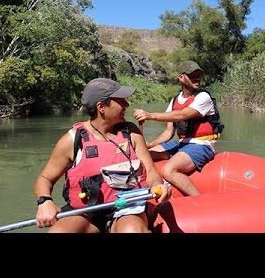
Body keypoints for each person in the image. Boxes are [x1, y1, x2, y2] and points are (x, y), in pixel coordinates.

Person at [34, 78, 171, 233]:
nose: (127, 105)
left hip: (127, 210)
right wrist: (44, 201)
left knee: (131, 230)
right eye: (120, 101)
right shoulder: (72, 140)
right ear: (101, 107)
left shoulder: (132, 133)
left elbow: (150, 171)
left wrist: (157, 185)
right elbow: (45, 179)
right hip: (85, 214)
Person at [133, 61, 224, 196]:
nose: (197, 78)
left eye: (198, 75)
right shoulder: (175, 100)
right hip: (182, 144)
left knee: (168, 170)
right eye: (192, 75)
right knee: (146, 155)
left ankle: (199, 200)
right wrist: (150, 145)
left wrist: (150, 115)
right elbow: (169, 131)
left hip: (202, 145)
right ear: (181, 77)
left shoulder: (203, 97)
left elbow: (182, 115)